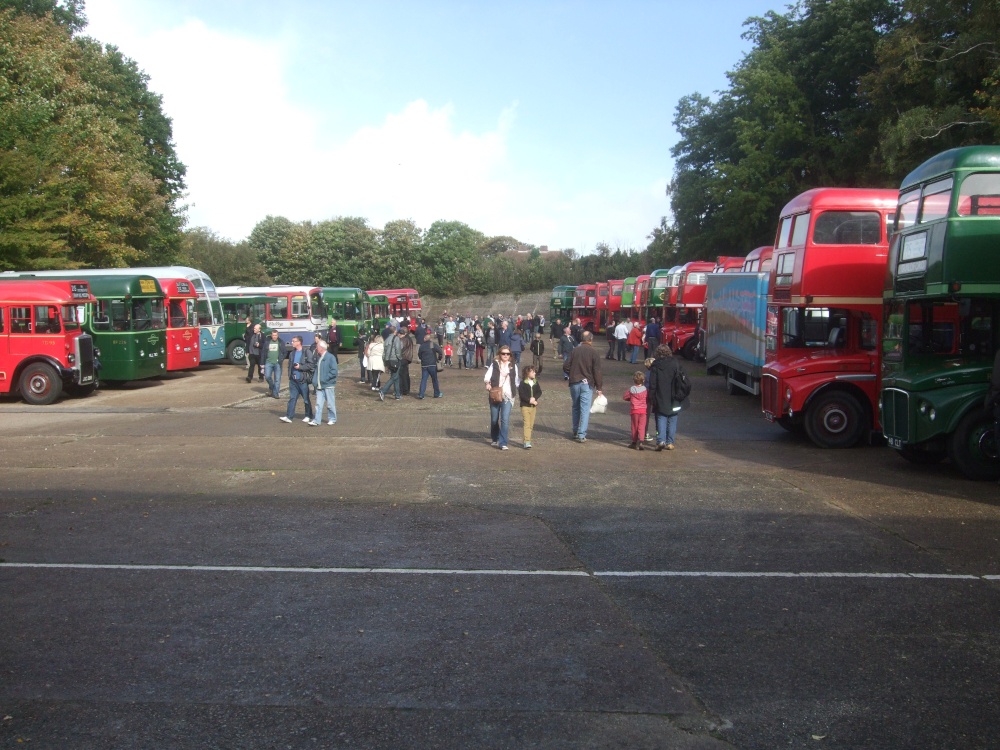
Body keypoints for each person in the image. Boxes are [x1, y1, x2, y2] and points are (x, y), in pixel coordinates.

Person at [563, 330, 603, 443]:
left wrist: (571, 374)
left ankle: (575, 431)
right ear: (591, 340)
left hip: (574, 382)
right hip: (587, 383)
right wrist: (599, 388)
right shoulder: (594, 352)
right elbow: (597, 371)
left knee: (575, 407)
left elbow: (565, 365)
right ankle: (581, 434)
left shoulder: (575, 350)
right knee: (585, 409)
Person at [648, 344, 685, 451]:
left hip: (660, 395)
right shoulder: (675, 363)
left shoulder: (655, 365)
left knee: (661, 417)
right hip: (675, 396)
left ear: (657, 353)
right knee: (673, 418)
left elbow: (653, 383)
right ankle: (670, 442)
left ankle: (661, 441)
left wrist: (652, 396)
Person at [485, 346, 519, 450]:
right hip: (495, 394)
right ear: (500, 354)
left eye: (507, 354)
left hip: (508, 396)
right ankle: (495, 438)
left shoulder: (513, 366)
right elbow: (487, 376)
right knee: (494, 420)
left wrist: (516, 387)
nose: (505, 355)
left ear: (510, 355)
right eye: (503, 353)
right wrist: (488, 383)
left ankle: (503, 442)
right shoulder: (494, 364)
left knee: (505, 419)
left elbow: (517, 380)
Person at [279, 336, 315, 424]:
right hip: (293, 380)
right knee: (292, 398)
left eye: (294, 341)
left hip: (302, 380)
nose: (292, 343)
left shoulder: (306, 352)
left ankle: (308, 415)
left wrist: (300, 367)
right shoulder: (292, 353)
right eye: (292, 341)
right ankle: (289, 416)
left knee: (306, 399)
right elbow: (289, 365)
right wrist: (290, 375)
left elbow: (311, 365)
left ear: (299, 342)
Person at [310, 339, 338, 425]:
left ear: (321, 348)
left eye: (317, 346)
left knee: (330, 403)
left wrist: (325, 379)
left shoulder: (330, 357)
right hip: (319, 385)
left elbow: (334, 371)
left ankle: (332, 418)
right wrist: (315, 381)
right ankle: (317, 420)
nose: (316, 348)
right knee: (318, 404)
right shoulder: (320, 358)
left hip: (328, 385)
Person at [518, 364, 541, 449]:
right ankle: (527, 441)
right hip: (525, 406)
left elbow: (539, 392)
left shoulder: (535, 382)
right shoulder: (523, 383)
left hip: (533, 407)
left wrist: (535, 398)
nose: (535, 373)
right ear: (527, 373)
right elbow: (522, 395)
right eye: (533, 372)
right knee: (527, 424)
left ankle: (528, 439)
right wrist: (529, 400)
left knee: (531, 424)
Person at [624, 371, 649, 450]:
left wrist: (630, 399)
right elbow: (647, 398)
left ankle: (634, 442)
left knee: (634, 426)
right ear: (643, 380)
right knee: (642, 426)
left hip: (634, 410)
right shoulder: (645, 390)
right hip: (643, 410)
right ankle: (641, 441)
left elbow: (625, 397)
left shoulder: (632, 389)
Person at [378, 325, 404, 401]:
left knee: (396, 377)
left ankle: (397, 395)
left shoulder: (386, 340)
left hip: (388, 360)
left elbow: (384, 352)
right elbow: (398, 349)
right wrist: (400, 358)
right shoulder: (396, 339)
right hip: (395, 359)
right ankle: (383, 391)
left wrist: (385, 361)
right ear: (395, 331)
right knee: (394, 377)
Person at [417, 333, 444, 399]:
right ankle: (436, 393)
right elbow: (440, 352)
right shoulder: (433, 344)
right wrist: (439, 359)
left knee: (424, 380)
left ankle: (421, 394)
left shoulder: (422, 346)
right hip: (432, 364)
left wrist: (422, 359)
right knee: (434, 380)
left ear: (425, 339)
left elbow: (419, 355)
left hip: (424, 365)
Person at [261, 329, 284, 398]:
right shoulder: (267, 342)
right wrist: (262, 363)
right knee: (267, 376)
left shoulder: (280, 342)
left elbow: (284, 352)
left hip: (277, 363)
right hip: (268, 362)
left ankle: (275, 393)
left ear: (277, 335)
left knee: (277, 379)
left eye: (276, 335)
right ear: (271, 335)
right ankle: (273, 387)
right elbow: (263, 352)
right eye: (273, 335)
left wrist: (281, 359)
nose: (274, 337)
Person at [399, 327, 414, 396]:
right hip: (407, 357)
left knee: (402, 375)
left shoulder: (404, 340)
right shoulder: (409, 339)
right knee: (405, 374)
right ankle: (407, 390)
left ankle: (403, 390)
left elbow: (400, 348)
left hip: (403, 358)